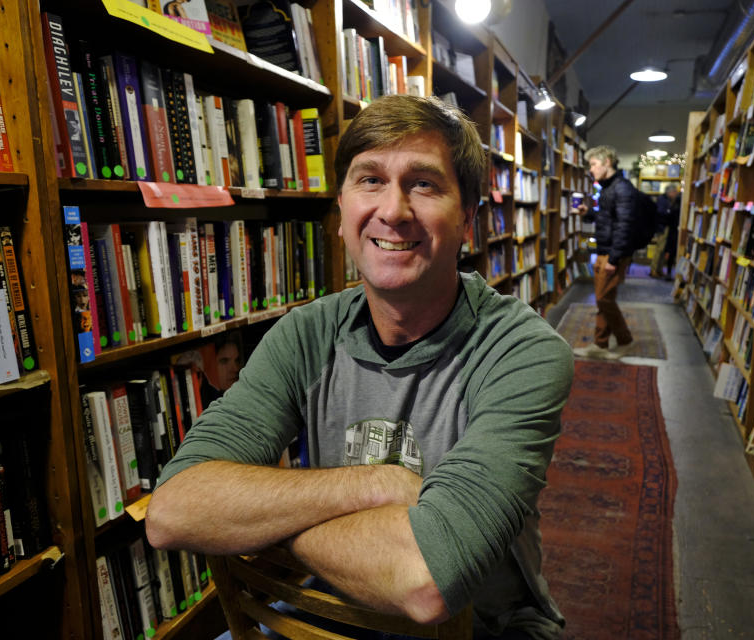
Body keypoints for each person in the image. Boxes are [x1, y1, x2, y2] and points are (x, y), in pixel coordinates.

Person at [145, 95, 574, 640]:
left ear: (467, 217)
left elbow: (426, 582)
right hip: (335, 601)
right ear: (343, 211)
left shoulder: (521, 352)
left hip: (484, 626)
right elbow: (174, 509)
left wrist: (262, 523)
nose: (393, 210)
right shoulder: (306, 334)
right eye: (369, 179)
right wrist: (378, 487)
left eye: (424, 183)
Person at [572, 145, 640, 360]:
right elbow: (606, 219)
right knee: (604, 299)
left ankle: (625, 340)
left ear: (607, 162)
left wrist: (614, 258)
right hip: (604, 250)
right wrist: (588, 213)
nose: (590, 169)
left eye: (593, 164)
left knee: (603, 300)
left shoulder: (622, 188)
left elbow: (624, 225)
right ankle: (600, 344)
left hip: (612, 253)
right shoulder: (607, 188)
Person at [650, 184, 680, 279]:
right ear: (670, 192)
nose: (676, 194)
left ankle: (659, 269)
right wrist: (669, 213)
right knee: (660, 249)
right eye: (675, 192)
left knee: (663, 250)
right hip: (663, 227)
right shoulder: (663, 200)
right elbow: (661, 213)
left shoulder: (667, 200)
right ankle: (654, 270)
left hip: (665, 227)